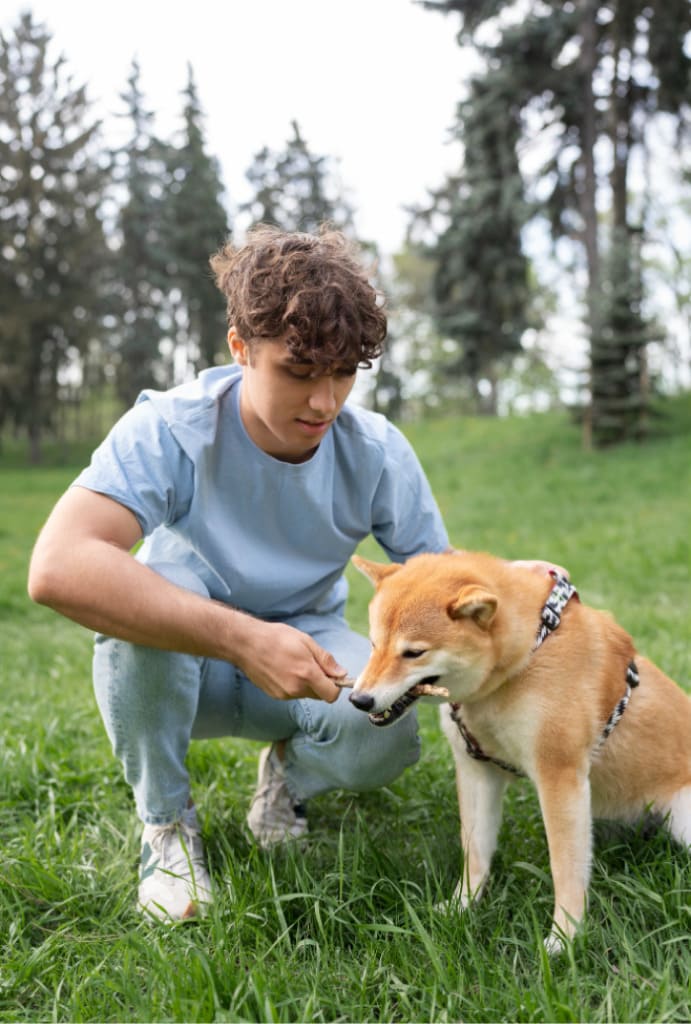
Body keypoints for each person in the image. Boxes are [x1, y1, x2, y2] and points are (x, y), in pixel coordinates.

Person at [27, 226, 452, 922]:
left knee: (386, 733)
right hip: (176, 666)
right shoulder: (170, 428)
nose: (324, 402)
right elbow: (57, 567)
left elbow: (438, 577)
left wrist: (518, 584)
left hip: (309, 651)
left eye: (342, 373)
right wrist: (244, 640)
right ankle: (165, 827)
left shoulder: (375, 450)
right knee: (143, 603)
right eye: (298, 370)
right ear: (239, 348)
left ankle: (288, 779)